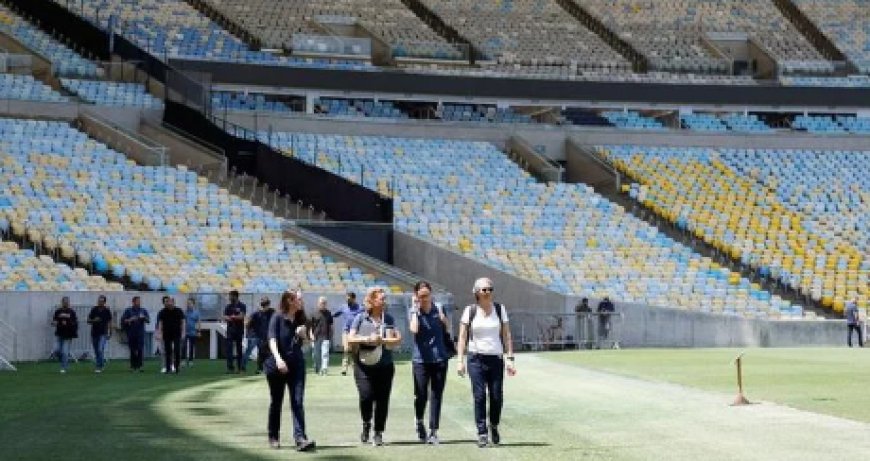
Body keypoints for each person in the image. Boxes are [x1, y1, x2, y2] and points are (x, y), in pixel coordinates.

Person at [457, 277, 516, 448]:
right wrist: (460, 360)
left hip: (495, 358)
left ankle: (494, 425)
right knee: (480, 395)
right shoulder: (470, 310)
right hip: (475, 358)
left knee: (496, 396)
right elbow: (462, 336)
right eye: (484, 289)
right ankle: (482, 432)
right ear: (476, 292)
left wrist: (510, 359)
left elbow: (506, 335)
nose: (488, 292)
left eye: (490, 289)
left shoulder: (500, 309)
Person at [348, 287, 402, 446]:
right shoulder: (360, 318)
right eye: (381, 298)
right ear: (372, 301)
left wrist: (382, 341)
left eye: (385, 298)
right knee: (366, 396)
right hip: (363, 365)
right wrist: (367, 339)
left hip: (385, 365)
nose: (384, 301)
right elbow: (351, 339)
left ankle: (378, 432)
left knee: (382, 400)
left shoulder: (389, 319)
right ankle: (366, 423)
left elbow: (397, 339)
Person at [264, 291, 316, 452]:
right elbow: (272, 340)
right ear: (289, 300)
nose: (301, 301)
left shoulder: (302, 319)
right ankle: (273, 436)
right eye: (298, 299)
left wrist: (304, 335)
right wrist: (279, 359)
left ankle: (300, 438)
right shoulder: (277, 317)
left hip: (297, 365)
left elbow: (310, 342)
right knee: (276, 402)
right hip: (277, 366)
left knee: (297, 401)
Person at [409, 281, 450, 445]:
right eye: (421, 296)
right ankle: (419, 421)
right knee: (421, 395)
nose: (425, 299)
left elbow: (447, 328)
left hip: (439, 358)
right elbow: (413, 329)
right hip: (420, 360)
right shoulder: (414, 311)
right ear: (416, 296)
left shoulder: (439, 308)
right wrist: (415, 310)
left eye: (427, 295)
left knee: (436, 395)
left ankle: (434, 431)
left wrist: (443, 319)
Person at [334, 291, 362, 376]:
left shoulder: (360, 308)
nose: (347, 301)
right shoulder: (343, 307)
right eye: (346, 299)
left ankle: (355, 368)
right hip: (345, 331)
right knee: (346, 350)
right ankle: (344, 369)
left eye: (349, 299)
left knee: (355, 351)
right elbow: (334, 314)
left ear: (354, 299)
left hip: (355, 332)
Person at [246, 297, 275, 374]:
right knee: (262, 353)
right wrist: (251, 333)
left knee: (270, 353)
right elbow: (248, 324)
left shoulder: (272, 312)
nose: (265, 307)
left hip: (269, 336)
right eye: (264, 305)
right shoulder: (256, 313)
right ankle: (260, 368)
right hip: (260, 336)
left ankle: (268, 368)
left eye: (266, 305)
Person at [157, 297, 185, 374]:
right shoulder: (162, 312)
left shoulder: (179, 311)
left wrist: (183, 332)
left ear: (173, 303)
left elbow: (183, 322)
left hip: (177, 333)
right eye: (167, 302)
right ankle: (168, 368)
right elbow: (160, 323)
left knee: (177, 350)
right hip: (166, 333)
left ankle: (177, 367)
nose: (169, 303)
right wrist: (160, 333)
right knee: (168, 351)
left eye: (170, 302)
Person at [121, 296, 150, 372]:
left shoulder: (143, 310)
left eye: (139, 301)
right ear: (133, 302)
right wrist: (130, 319)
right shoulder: (128, 310)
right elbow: (123, 320)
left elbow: (148, 320)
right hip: (131, 333)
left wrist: (143, 317)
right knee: (132, 350)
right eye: (137, 301)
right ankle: (133, 366)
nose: (139, 302)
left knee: (140, 349)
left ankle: (140, 366)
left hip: (140, 333)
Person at [52, 296, 78, 374]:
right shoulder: (58, 311)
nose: (65, 303)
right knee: (56, 350)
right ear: (62, 302)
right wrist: (54, 323)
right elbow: (54, 321)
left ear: (69, 303)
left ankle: (63, 367)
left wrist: (68, 323)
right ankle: (64, 361)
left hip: (68, 335)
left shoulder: (72, 312)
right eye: (64, 302)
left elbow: (75, 323)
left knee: (65, 352)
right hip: (59, 333)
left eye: (67, 302)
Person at [86, 295, 113, 373]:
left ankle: (99, 366)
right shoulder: (94, 309)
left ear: (104, 302)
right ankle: (101, 363)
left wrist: (110, 332)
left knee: (100, 349)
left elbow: (109, 321)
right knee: (96, 350)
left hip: (103, 333)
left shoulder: (107, 310)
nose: (100, 302)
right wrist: (94, 320)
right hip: (94, 332)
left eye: (101, 301)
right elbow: (88, 320)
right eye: (99, 301)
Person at [224, 290, 247, 373]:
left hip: (239, 330)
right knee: (229, 349)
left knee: (239, 349)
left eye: (230, 296)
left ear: (235, 296)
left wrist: (233, 317)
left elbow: (241, 316)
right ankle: (230, 367)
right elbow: (225, 317)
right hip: (230, 330)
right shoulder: (228, 306)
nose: (229, 298)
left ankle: (239, 367)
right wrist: (232, 317)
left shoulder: (242, 306)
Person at [309, 296, 334, 376]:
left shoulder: (328, 313)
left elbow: (331, 325)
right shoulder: (313, 313)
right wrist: (311, 335)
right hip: (316, 337)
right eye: (321, 303)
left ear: (326, 304)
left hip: (326, 337)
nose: (322, 304)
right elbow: (310, 326)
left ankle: (324, 369)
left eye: (324, 303)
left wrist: (331, 335)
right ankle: (317, 367)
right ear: (318, 304)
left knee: (325, 354)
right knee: (316, 355)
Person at [183, 298, 201, 367]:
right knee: (184, 346)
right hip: (185, 332)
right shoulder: (185, 312)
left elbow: (199, 322)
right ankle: (183, 360)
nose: (188, 305)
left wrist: (199, 331)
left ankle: (190, 361)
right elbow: (183, 322)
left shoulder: (196, 313)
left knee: (191, 347)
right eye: (187, 303)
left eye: (190, 303)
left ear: (193, 304)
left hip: (193, 332)